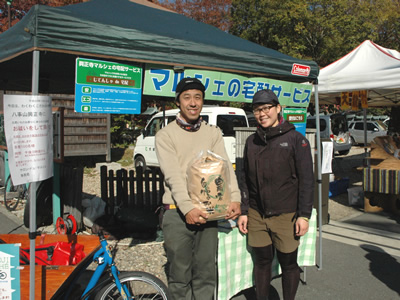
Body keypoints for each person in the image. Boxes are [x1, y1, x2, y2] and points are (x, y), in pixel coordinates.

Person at [155, 77, 241, 300]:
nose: (192, 103)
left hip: (209, 211)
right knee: (180, 276)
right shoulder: (165, 135)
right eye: (187, 97)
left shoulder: (212, 133)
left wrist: (235, 198)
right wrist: (187, 208)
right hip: (177, 211)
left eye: (197, 97)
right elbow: (173, 175)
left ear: (202, 101)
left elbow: (225, 167)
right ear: (178, 102)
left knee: (206, 273)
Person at [237, 89, 314, 300]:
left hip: (286, 214)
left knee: (289, 264)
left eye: (267, 108)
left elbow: (307, 180)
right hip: (257, 213)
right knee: (261, 262)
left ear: (278, 108)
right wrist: (244, 210)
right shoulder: (251, 142)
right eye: (257, 109)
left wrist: (304, 215)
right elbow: (244, 177)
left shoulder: (296, 140)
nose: (262, 114)